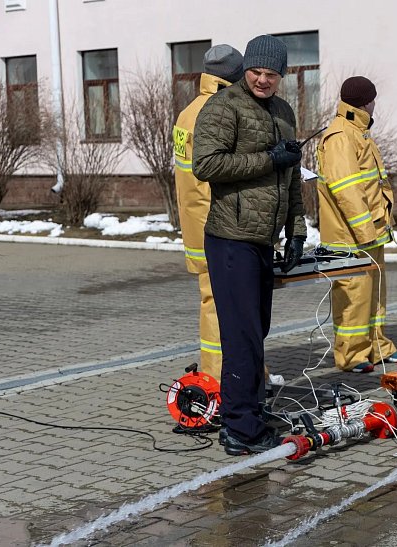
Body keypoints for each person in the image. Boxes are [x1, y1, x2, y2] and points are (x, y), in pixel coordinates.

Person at [192, 34, 306, 455]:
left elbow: (292, 179)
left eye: (271, 74)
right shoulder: (224, 106)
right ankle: (240, 429)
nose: (262, 80)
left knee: (256, 333)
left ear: (281, 75)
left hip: (263, 240)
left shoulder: (283, 111)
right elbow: (205, 164)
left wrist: (296, 231)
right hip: (230, 238)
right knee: (242, 336)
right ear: (246, 71)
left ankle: (250, 411)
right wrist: (268, 159)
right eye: (256, 72)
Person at [316, 76, 397, 373]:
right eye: (373, 99)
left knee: (374, 294)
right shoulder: (341, 136)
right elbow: (347, 190)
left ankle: (377, 346)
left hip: (368, 232)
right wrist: (365, 230)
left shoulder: (357, 132)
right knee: (354, 296)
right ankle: (352, 355)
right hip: (351, 237)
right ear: (367, 101)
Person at [173, 44, 244, 384]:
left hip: (197, 226)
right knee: (224, 305)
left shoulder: (187, 113)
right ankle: (223, 378)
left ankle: (229, 373)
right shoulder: (219, 113)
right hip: (220, 228)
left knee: (214, 300)